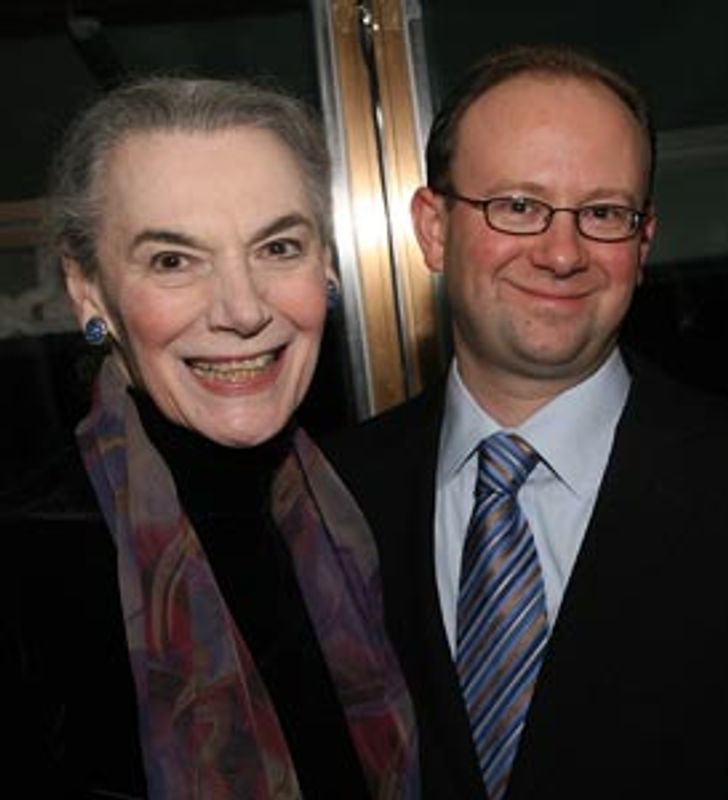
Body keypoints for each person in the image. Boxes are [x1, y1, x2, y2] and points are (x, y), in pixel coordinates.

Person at [322, 44, 728, 800]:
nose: (562, 253)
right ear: (433, 228)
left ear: (643, 244)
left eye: (603, 214)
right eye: (518, 206)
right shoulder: (322, 500)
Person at [0, 77, 417, 798]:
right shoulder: (28, 566)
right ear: (88, 289)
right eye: (173, 260)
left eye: (278, 247)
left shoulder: (375, 515)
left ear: (326, 262)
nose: (242, 309)